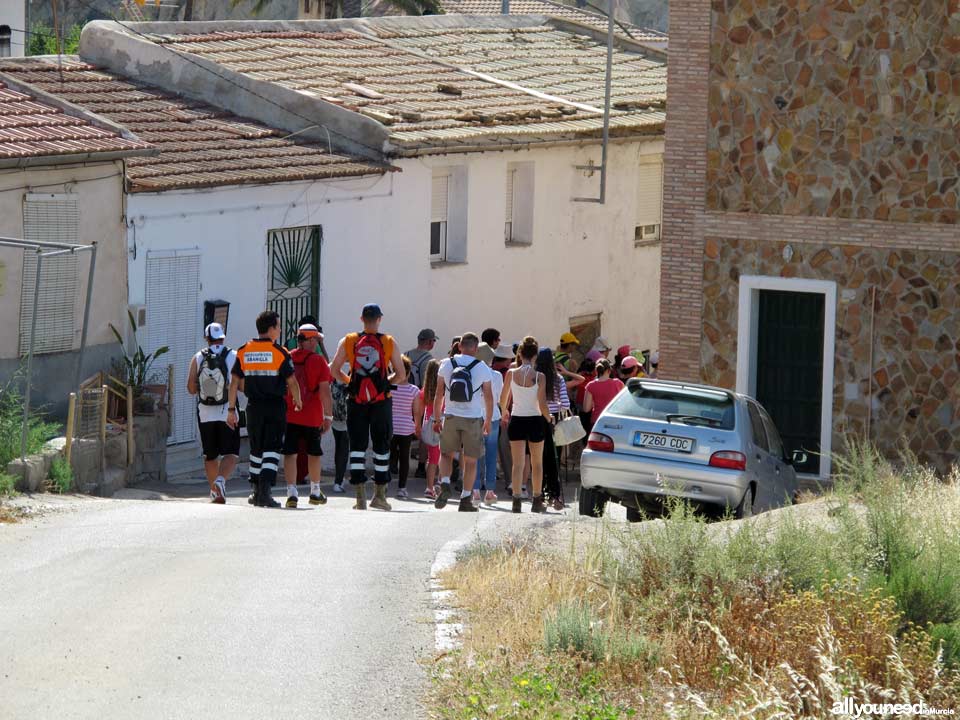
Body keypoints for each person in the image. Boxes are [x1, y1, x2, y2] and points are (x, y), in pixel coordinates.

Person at [330, 304, 406, 511]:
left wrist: (350, 383)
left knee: (357, 447)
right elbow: (401, 374)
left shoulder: (349, 341)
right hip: (381, 401)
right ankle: (379, 496)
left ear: (361, 318)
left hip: (356, 401)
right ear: (379, 319)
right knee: (382, 448)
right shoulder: (389, 342)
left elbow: (334, 369)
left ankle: (359, 497)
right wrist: (383, 383)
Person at [227, 311, 301, 509]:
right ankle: (266, 492)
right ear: (270, 329)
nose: (280, 330)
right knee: (272, 449)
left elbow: (234, 383)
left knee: (256, 449)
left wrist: (231, 409)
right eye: (278, 326)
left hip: (253, 407)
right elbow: (291, 381)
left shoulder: (244, 351)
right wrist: (298, 400)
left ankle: (256, 491)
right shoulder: (280, 353)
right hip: (274, 406)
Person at [431, 332, 494, 512]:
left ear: (459, 346)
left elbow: (438, 394)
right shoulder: (482, 367)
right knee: (471, 461)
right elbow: (489, 397)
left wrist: (437, 418)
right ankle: (466, 499)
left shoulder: (446, 363)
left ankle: (444, 483)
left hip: (450, 415)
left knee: (446, 454)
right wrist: (488, 420)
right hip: (473, 418)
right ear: (475, 348)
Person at [186, 322, 239, 504]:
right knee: (231, 454)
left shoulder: (198, 357)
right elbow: (241, 385)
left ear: (206, 338)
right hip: (228, 412)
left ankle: (215, 492)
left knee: (210, 455)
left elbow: (191, 388)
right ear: (223, 337)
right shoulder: (233, 356)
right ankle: (220, 480)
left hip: (205, 413)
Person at [281, 324, 333, 508]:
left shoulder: (287, 357)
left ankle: (291, 493)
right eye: (317, 340)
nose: (318, 343)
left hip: (290, 414)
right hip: (312, 415)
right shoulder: (318, 361)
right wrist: (328, 417)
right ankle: (315, 491)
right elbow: (325, 392)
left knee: (290, 453)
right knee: (314, 453)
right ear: (310, 341)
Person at [500, 336, 552, 514]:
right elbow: (542, 403)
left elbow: (503, 399)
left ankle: (516, 499)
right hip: (535, 419)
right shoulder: (540, 377)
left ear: (520, 354)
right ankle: (537, 500)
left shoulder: (511, 373)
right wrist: (549, 417)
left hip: (517, 418)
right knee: (537, 463)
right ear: (535, 355)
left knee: (518, 464)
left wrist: (505, 412)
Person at [537, 348, 582, 510]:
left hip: (536, 419)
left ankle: (541, 494)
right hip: (554, 420)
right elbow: (565, 403)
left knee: (539, 459)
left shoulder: (534, 378)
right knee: (553, 460)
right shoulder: (558, 379)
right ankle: (555, 495)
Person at [472, 343, 504, 505]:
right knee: (491, 454)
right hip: (493, 416)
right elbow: (498, 398)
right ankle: (490, 491)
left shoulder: (471, 374)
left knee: (475, 455)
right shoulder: (497, 375)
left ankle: (475, 490)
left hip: (476, 416)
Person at [405, 328, 438, 479]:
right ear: (430, 342)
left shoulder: (405, 355)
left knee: (401, 432)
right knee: (423, 435)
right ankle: (420, 467)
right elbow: (428, 382)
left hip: (404, 397)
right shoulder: (428, 359)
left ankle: (395, 463)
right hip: (420, 398)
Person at [390, 355, 423, 499]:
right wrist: (417, 427)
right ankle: (402, 488)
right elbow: (416, 412)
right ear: (409, 373)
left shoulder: (389, 387)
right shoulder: (414, 390)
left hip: (390, 427)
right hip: (406, 428)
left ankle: (383, 483)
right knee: (404, 458)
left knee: (388, 455)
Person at [491, 344, 515, 493]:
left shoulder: (489, 369)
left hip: (490, 413)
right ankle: (510, 480)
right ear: (507, 360)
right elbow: (508, 396)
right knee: (506, 449)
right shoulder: (507, 373)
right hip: (505, 413)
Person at [420, 359, 442, 499]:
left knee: (431, 458)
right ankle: (440, 483)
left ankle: (429, 487)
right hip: (442, 423)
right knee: (444, 457)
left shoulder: (424, 393)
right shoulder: (444, 391)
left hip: (428, 426)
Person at [582, 359, 624, 430]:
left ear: (596, 371)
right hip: (615, 421)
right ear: (609, 370)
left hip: (597, 421)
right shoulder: (618, 383)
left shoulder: (591, 385)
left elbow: (586, 409)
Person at [330, 363, 350, 494]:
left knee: (339, 449)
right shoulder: (347, 377)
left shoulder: (331, 372)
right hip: (347, 420)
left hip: (334, 419)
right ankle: (338, 481)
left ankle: (339, 478)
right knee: (344, 451)